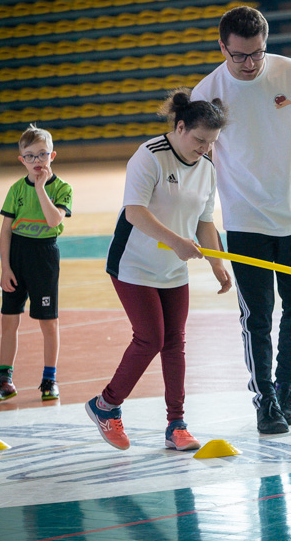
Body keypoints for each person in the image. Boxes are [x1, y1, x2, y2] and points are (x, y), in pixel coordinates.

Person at [190, 6, 291, 434]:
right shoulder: (210, 92)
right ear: (223, 48)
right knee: (257, 314)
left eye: (257, 53)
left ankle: (287, 387)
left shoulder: (290, 72)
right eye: (240, 55)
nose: (250, 63)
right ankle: (265, 400)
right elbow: (199, 155)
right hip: (245, 222)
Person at [86, 89, 232, 451]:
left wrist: (217, 261)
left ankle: (177, 425)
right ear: (180, 127)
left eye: (211, 143)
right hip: (133, 264)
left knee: (174, 343)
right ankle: (105, 405)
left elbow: (203, 220)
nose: (205, 149)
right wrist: (178, 241)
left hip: (172, 269)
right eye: (199, 140)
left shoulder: (207, 167)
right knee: (150, 337)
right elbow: (135, 212)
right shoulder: (149, 156)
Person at [0, 125, 72, 406]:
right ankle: (4, 380)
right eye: (30, 156)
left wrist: (40, 188)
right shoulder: (14, 190)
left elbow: (53, 221)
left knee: (49, 322)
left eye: (42, 155)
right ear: (21, 159)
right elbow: (6, 230)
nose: (37, 161)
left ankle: (49, 379)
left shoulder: (62, 188)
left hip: (44, 256)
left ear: (52, 156)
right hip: (17, 256)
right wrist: (5, 268)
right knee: (9, 320)